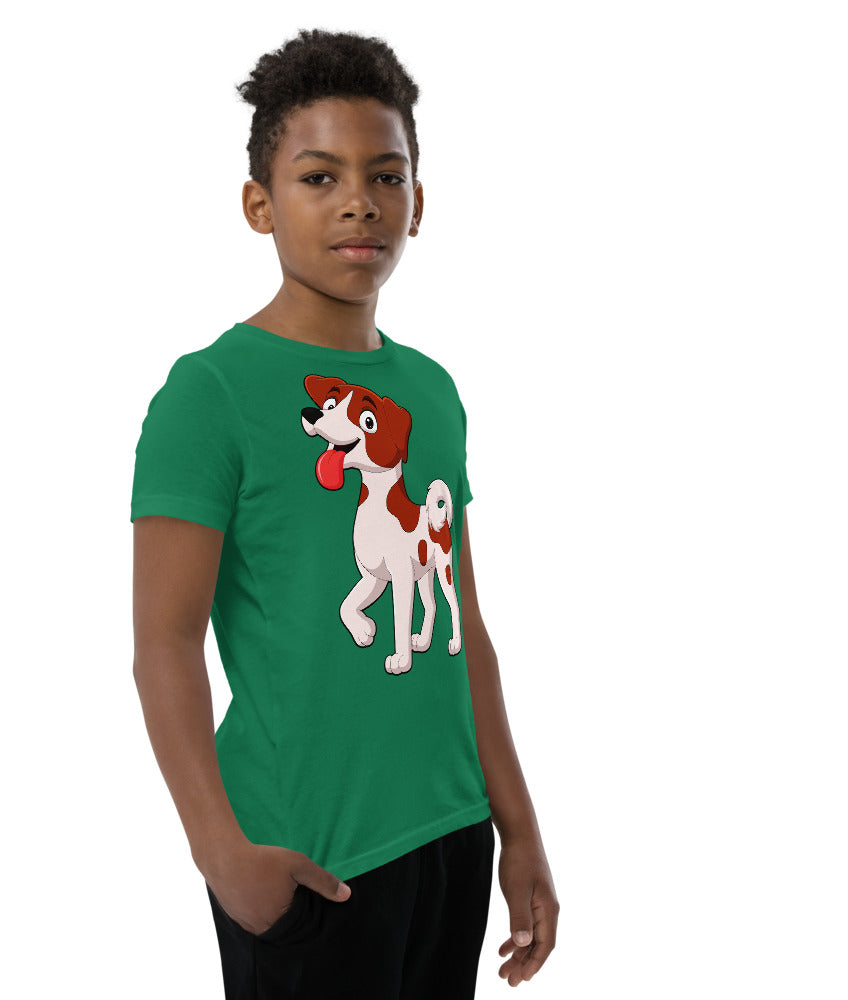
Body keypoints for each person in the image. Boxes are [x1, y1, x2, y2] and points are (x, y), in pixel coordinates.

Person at [130, 27, 558, 999]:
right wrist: (221, 855)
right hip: (308, 857)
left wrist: (518, 829)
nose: (359, 201)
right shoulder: (210, 393)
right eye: (319, 177)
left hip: (450, 835)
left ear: (418, 201)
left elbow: (462, 629)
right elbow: (164, 644)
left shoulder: (431, 392)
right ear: (259, 203)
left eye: (385, 175)